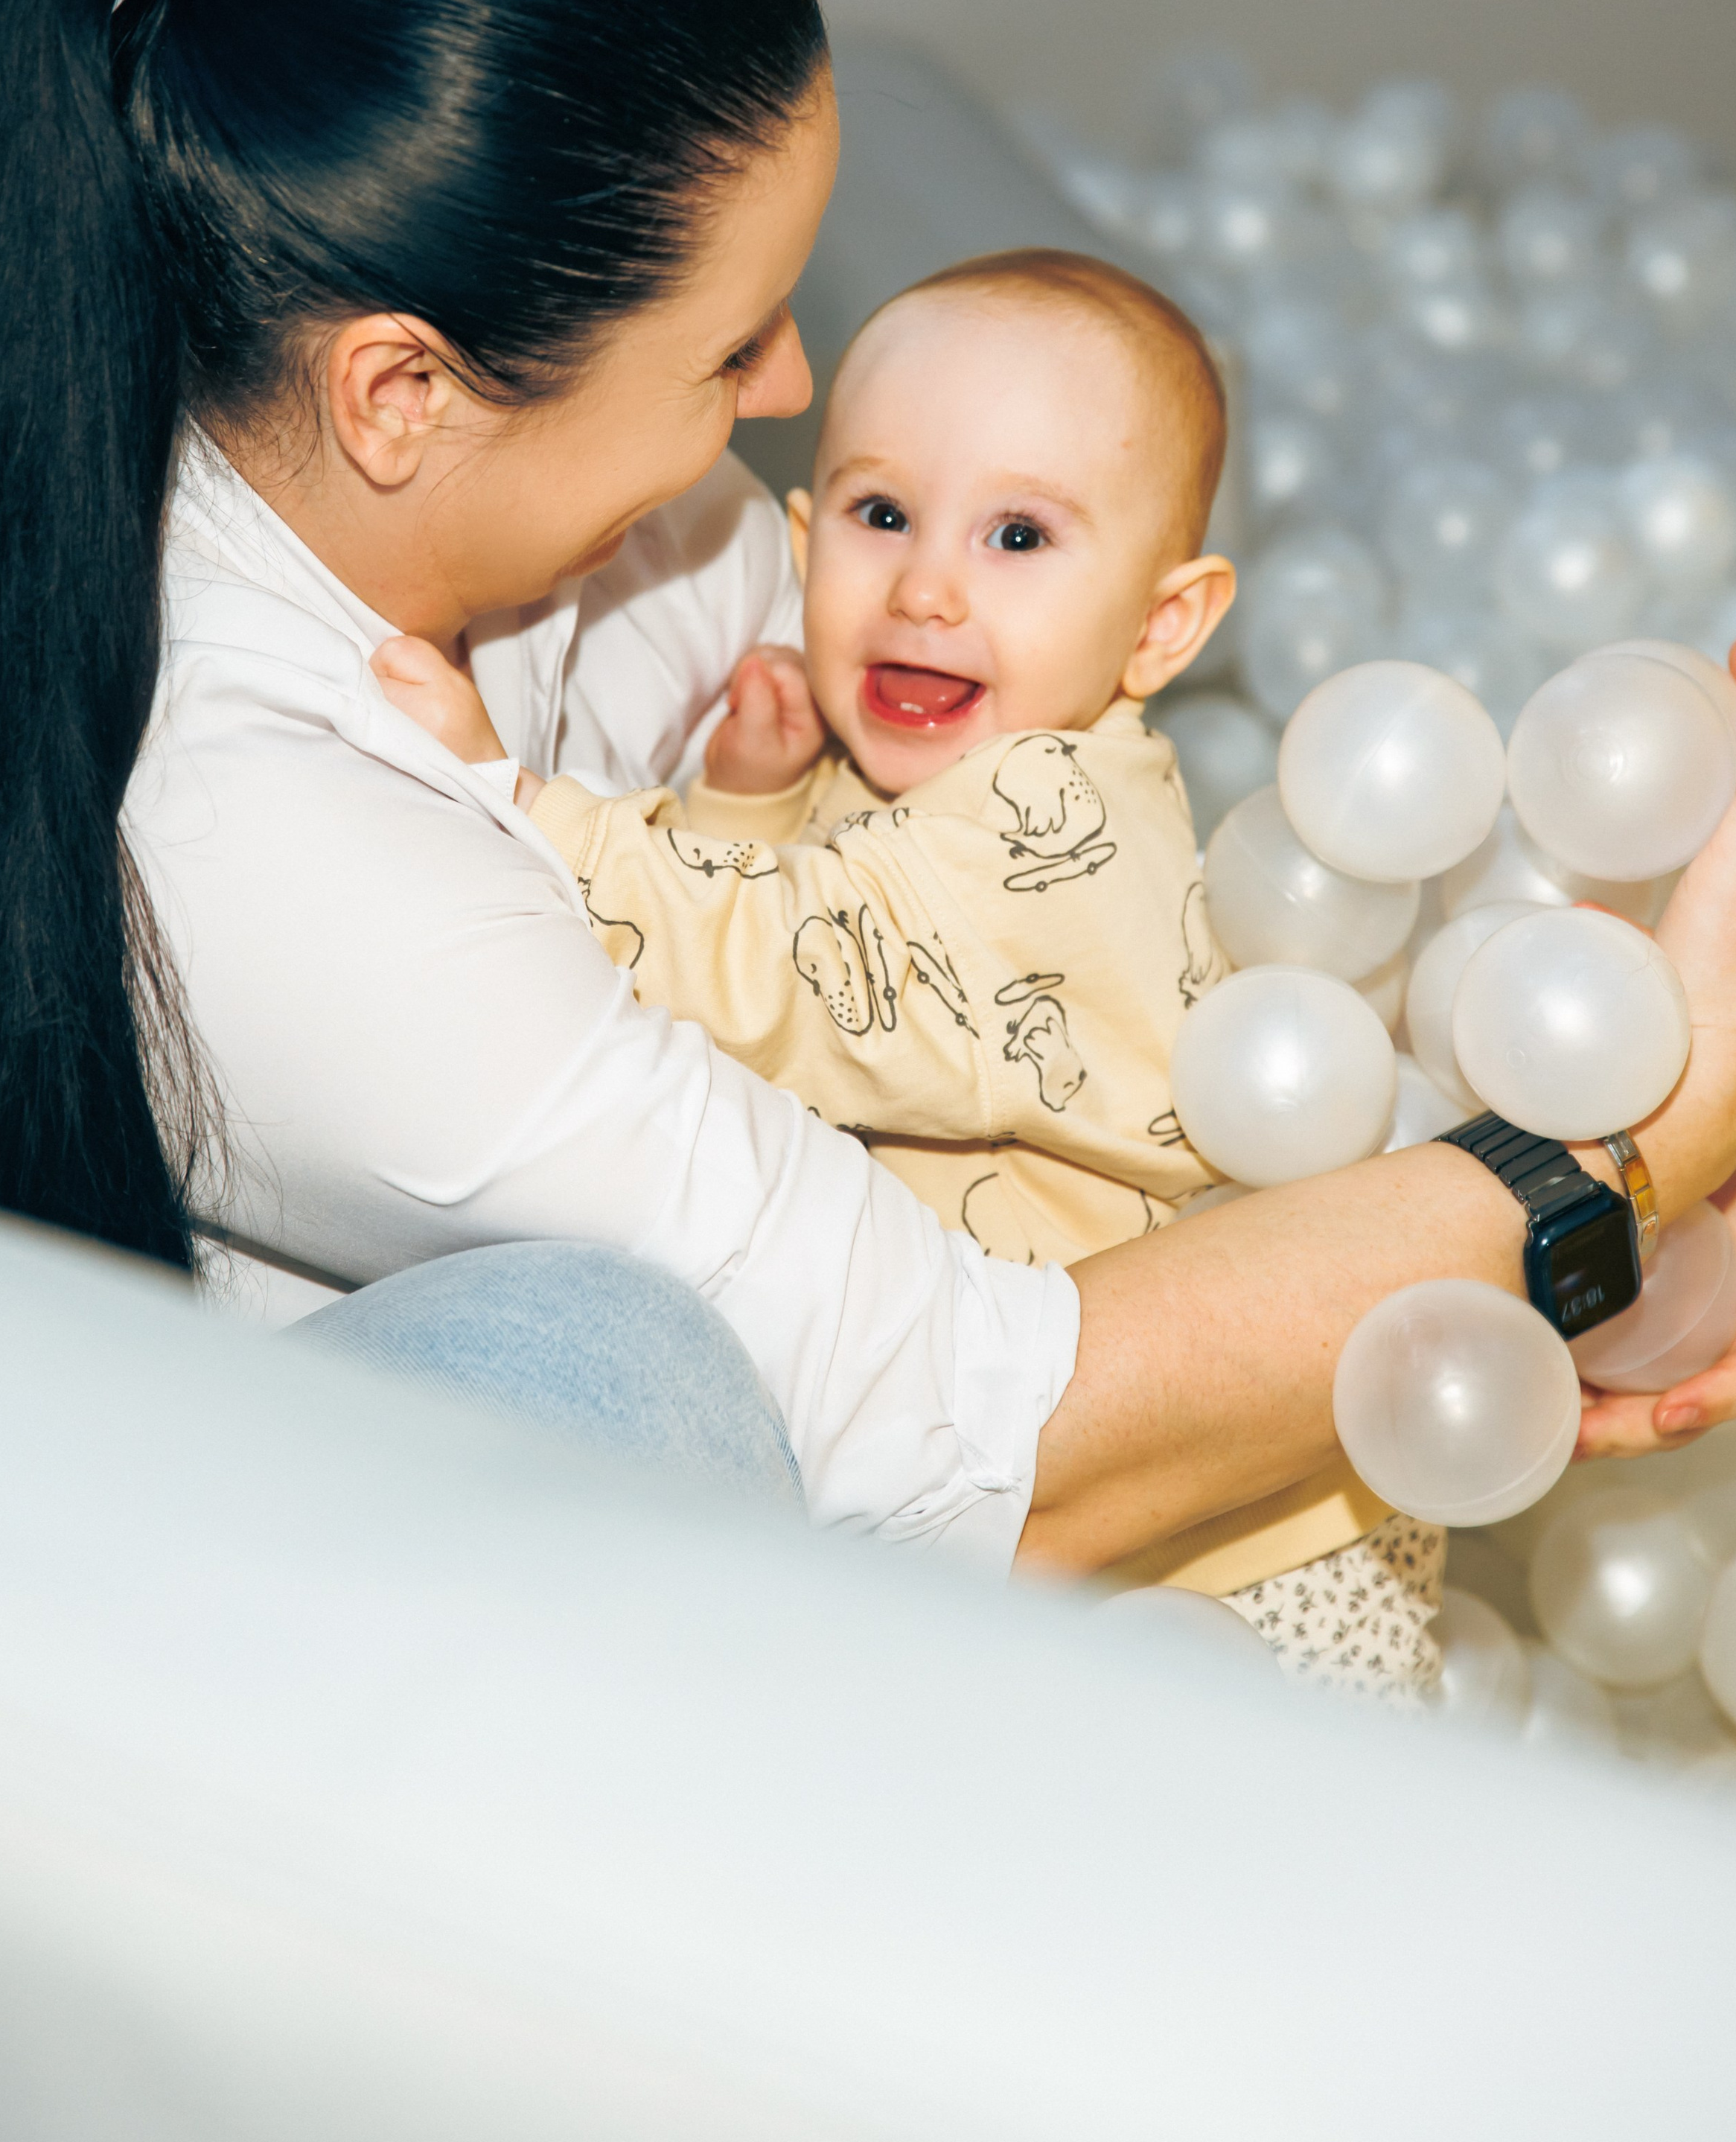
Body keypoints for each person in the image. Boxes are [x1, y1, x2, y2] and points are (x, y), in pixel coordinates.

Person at [0, 0, 1736, 1589]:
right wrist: (1614, 1151)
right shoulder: (273, 856)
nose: (792, 398)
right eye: (730, 352)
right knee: (593, 1361)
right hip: (243, 1637)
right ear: (403, 391)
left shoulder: (597, 529)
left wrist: (1459, 1188)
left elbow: (1024, 898)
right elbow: (981, 1440)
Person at [376, 243, 1454, 1695]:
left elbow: (783, 973)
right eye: (885, 515)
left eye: (1017, 538)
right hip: (1057, 1492)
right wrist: (748, 803)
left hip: (1232, 1549)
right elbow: (817, 950)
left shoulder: (1050, 816)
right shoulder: (940, 772)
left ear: (1160, 625)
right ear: (808, 544)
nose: (930, 589)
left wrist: (513, 796)